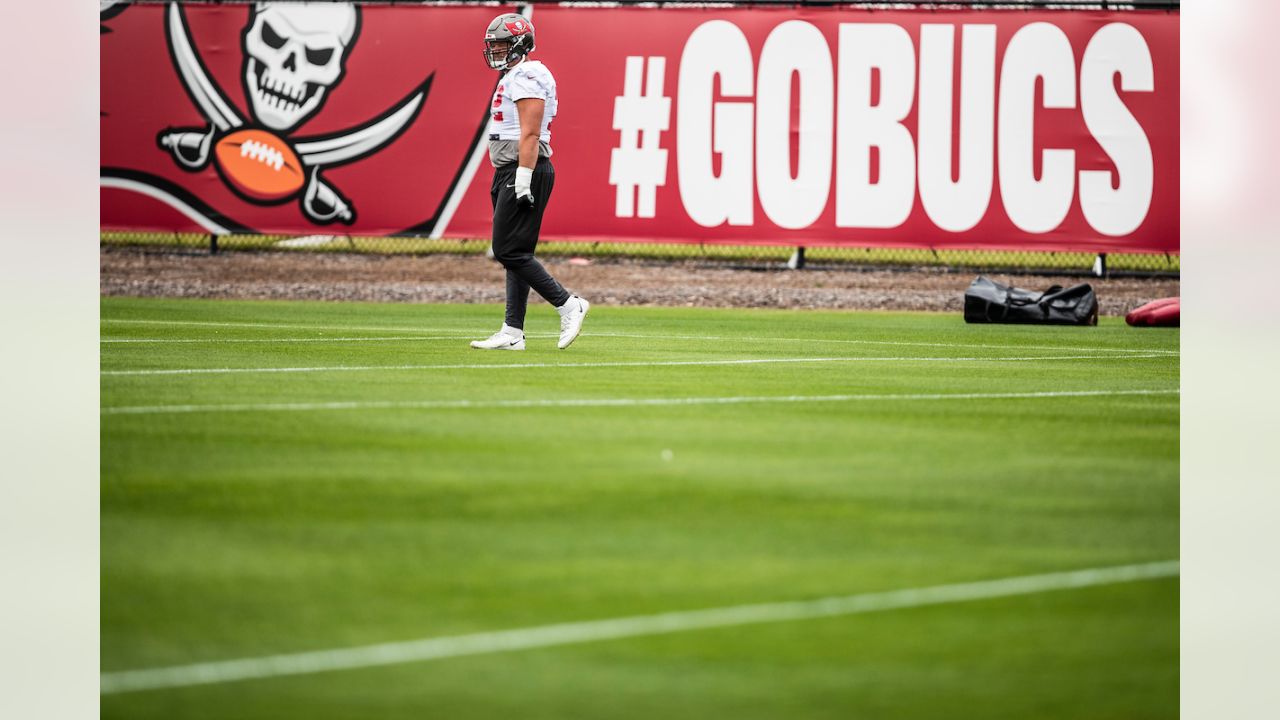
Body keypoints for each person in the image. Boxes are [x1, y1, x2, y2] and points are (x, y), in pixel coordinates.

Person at [470, 13, 589, 351]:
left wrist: (523, 176)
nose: (497, 50)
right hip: (510, 168)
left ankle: (568, 305)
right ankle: (513, 331)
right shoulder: (516, 74)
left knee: (507, 250)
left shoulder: (527, 73)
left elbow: (531, 132)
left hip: (524, 169)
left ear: (520, 45)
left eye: (504, 43)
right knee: (516, 251)